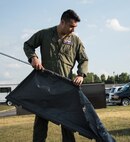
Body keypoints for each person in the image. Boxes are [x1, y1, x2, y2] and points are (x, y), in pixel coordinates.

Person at [24, 9, 88, 142]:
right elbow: (28, 45)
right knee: (41, 122)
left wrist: (81, 75)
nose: (73, 30)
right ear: (62, 22)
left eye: (75, 27)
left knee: (68, 124)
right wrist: (33, 58)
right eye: (71, 26)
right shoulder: (45, 34)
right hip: (45, 87)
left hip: (65, 88)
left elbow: (84, 59)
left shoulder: (76, 40)